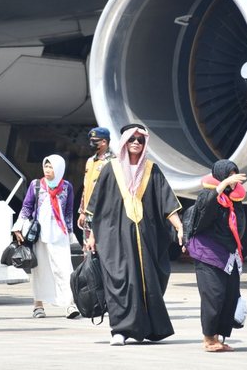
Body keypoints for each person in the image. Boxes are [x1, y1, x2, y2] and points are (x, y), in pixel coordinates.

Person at [86, 123, 183, 346]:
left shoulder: (152, 169)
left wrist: (179, 227)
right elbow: (97, 207)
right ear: (124, 142)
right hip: (114, 237)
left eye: (140, 139)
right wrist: (92, 236)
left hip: (146, 239)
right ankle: (120, 330)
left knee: (147, 283)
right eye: (132, 139)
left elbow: (166, 203)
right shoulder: (111, 168)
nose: (136, 143)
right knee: (120, 281)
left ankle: (148, 329)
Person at [186, 159, 247, 352]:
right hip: (208, 253)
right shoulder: (208, 196)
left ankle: (219, 337)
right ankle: (208, 338)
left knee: (229, 295)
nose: (233, 179)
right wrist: (222, 186)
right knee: (213, 295)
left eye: (234, 175)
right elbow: (204, 212)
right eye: (229, 175)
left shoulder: (235, 200)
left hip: (229, 254)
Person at [12, 154, 80, 320]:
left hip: (59, 233)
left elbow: (69, 210)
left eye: (51, 167)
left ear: (58, 169)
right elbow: (27, 207)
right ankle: (38, 305)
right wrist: (18, 227)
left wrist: (70, 232)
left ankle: (70, 304)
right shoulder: (36, 185)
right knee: (39, 269)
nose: (47, 170)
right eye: (46, 166)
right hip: (39, 234)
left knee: (64, 269)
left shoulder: (66, 187)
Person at [77, 126, 115, 247]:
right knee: (87, 250)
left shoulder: (113, 162)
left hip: (103, 214)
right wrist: (82, 211)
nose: (91, 143)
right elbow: (86, 188)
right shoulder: (90, 161)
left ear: (104, 142)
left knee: (101, 249)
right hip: (88, 213)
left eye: (95, 141)